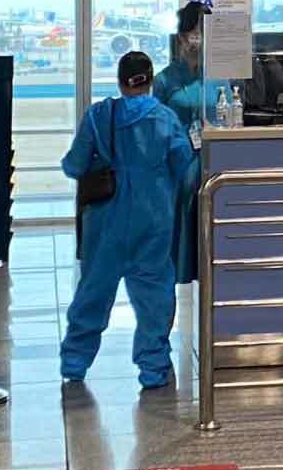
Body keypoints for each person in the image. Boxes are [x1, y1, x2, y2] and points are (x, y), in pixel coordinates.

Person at [60, 52, 194, 389]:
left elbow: (74, 165)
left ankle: (75, 362)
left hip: (105, 221)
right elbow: (183, 164)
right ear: (150, 81)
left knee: (93, 290)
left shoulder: (99, 116)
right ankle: (153, 368)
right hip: (153, 218)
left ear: (120, 81)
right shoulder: (165, 118)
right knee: (154, 296)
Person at [152, 1, 220, 286]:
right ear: (182, 37)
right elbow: (154, 129)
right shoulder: (165, 80)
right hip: (179, 165)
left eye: (205, 32)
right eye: (196, 32)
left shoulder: (216, 78)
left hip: (214, 160)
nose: (200, 39)